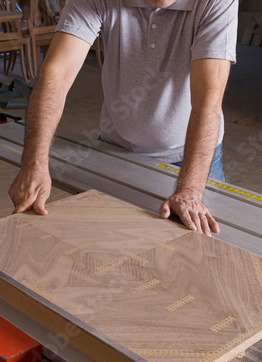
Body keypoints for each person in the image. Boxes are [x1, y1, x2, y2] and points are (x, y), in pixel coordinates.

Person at [9, 0, 238, 236]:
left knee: (194, 252)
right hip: (117, 148)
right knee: (103, 241)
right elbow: (56, 75)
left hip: (189, 158)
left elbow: (207, 96)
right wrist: (33, 164)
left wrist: (190, 189)